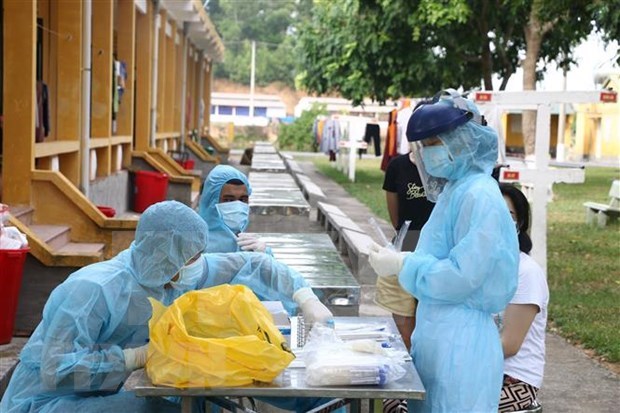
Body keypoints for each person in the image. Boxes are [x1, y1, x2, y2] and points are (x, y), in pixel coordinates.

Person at [0, 201, 333, 413]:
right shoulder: (94, 288)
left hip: (116, 386)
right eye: (189, 259)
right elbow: (57, 371)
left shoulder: (174, 272)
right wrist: (136, 357)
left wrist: (308, 299)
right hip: (48, 402)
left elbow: (255, 266)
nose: (196, 266)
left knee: (209, 400)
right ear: (163, 252)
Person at [368, 89, 519, 413]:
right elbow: (438, 254)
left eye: (434, 144)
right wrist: (404, 260)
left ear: (462, 141)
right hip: (439, 332)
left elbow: (463, 276)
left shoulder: (480, 196)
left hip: (463, 345)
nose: (427, 154)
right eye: (424, 147)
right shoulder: (456, 190)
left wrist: (403, 265)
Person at [497, 183, 549, 412]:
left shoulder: (525, 272)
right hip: (474, 367)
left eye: (507, 215)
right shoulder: (475, 267)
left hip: (513, 378)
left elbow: (509, 345)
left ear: (519, 224)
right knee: (397, 400)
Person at [376, 151, 434, 351]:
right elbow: (396, 217)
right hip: (407, 243)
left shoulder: (445, 168)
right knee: (404, 321)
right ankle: (410, 366)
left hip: (437, 248)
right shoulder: (398, 166)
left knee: (428, 317)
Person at [198, 164, 271, 254]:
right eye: (229, 200)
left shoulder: (249, 244)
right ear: (211, 202)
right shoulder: (195, 244)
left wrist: (265, 255)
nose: (237, 205)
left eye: (243, 199)